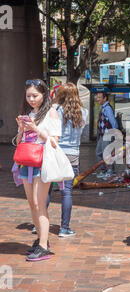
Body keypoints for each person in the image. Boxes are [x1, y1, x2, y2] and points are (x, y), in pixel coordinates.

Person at [14, 79, 61, 261]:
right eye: (28, 96)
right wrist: (21, 129)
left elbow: (55, 142)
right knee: (31, 204)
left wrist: (36, 129)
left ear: (44, 95)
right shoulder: (29, 114)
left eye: (35, 95)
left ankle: (43, 246)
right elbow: (19, 142)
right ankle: (42, 239)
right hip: (27, 162)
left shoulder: (51, 114)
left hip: (43, 162)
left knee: (40, 204)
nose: (31, 99)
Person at [47, 83, 88, 237]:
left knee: (47, 190)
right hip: (72, 155)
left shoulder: (54, 110)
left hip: (55, 152)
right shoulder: (83, 112)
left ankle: (39, 224)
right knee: (67, 193)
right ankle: (64, 228)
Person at [96, 92, 118, 179]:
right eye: (97, 97)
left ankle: (110, 171)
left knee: (106, 153)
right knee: (99, 152)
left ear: (104, 98)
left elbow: (113, 122)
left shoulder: (107, 108)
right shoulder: (104, 108)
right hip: (103, 135)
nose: (98, 99)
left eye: (99, 97)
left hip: (107, 134)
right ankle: (104, 170)